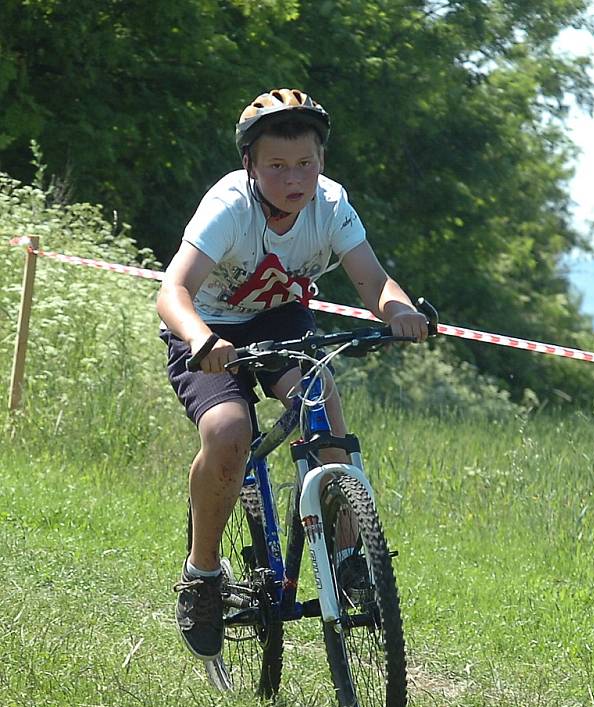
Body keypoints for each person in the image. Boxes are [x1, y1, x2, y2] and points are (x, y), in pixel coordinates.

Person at [156, 88, 428, 662]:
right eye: (277, 165)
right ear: (250, 165)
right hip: (207, 329)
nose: (293, 178)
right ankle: (202, 575)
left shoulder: (332, 205)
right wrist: (203, 340)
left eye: (305, 163)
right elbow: (172, 290)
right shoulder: (229, 206)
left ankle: (353, 555)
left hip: (283, 322)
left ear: (321, 162)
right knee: (228, 433)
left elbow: (373, 281)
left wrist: (400, 313)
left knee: (321, 407)